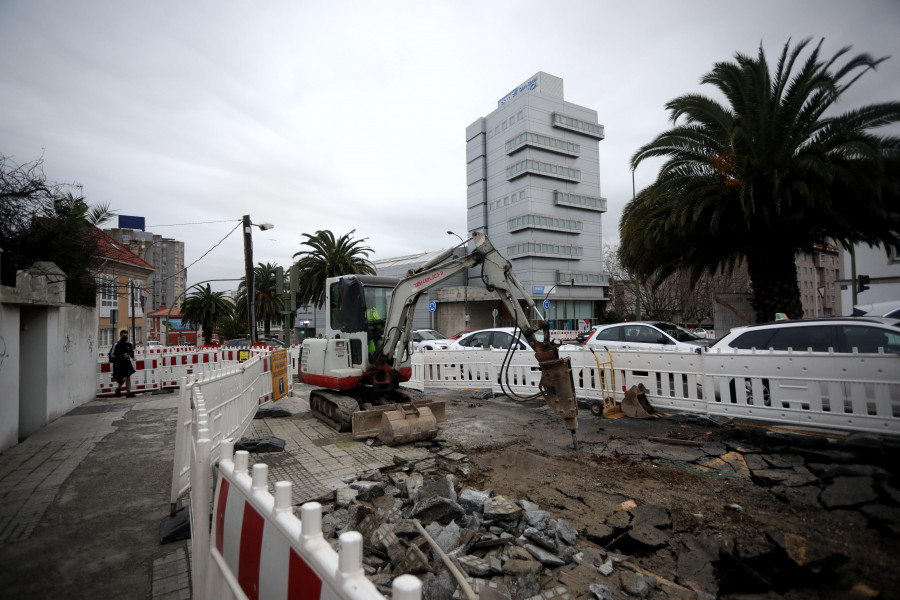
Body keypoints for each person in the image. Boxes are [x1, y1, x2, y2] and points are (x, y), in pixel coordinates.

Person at [110, 329, 136, 397]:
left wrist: (133, 357)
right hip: (120, 363)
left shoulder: (129, 344)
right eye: (123, 335)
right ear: (120, 335)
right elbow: (112, 355)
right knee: (124, 378)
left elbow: (131, 352)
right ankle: (118, 389)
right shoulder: (117, 345)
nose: (125, 336)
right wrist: (122, 356)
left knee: (128, 377)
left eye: (126, 335)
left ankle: (128, 392)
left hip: (127, 363)